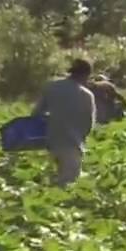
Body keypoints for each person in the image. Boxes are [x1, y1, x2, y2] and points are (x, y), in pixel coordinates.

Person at [33, 58, 96, 186]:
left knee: (49, 184)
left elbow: (36, 114)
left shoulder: (51, 87)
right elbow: (89, 124)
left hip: (50, 143)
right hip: (72, 144)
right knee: (67, 186)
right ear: (86, 75)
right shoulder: (86, 95)